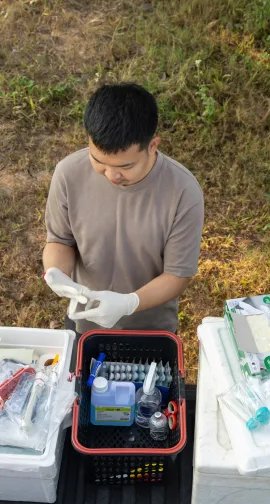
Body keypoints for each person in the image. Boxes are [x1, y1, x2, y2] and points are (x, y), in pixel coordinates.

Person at [42, 83, 204, 333]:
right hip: (83, 322)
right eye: (99, 161)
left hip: (150, 328)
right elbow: (60, 240)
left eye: (125, 167)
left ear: (152, 146)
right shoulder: (68, 174)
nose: (112, 175)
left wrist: (128, 303)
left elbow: (178, 275)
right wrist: (56, 272)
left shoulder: (183, 192)